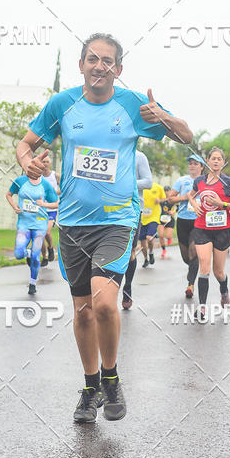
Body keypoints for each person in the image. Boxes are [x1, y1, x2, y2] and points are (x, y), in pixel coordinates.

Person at [15, 33, 192, 423]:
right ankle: (90, 386)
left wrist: (163, 117)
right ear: (81, 65)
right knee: (81, 314)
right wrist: (28, 162)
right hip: (73, 224)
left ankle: (111, 378)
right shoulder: (63, 104)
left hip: (117, 221)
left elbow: (187, 137)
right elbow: (25, 144)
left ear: (119, 69)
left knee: (105, 303)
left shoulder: (132, 105)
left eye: (108, 61)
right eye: (92, 59)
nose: (100, 66)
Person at [187, 147, 230, 318]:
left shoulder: (228, 182)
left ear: (223, 162)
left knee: (218, 271)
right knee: (204, 266)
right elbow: (191, 195)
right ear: (208, 161)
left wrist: (223, 204)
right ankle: (202, 307)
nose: (216, 161)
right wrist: (194, 204)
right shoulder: (199, 181)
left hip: (222, 230)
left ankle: (224, 291)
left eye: (219, 158)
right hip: (202, 228)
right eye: (213, 158)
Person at [6, 173, 59, 294]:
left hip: (40, 224)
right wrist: (15, 207)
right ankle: (28, 252)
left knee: (36, 257)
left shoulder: (45, 184)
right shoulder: (20, 181)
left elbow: (56, 203)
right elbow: (8, 194)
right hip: (24, 224)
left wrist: (44, 204)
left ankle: (32, 283)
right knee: (19, 254)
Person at [168, 154, 205, 298]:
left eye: (196, 163)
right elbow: (170, 199)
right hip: (183, 221)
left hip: (198, 221)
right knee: (186, 257)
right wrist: (187, 197)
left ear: (202, 167)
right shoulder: (181, 181)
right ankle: (193, 268)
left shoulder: (206, 182)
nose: (192, 166)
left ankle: (190, 284)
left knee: (193, 252)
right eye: (190, 163)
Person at [121, 148, 152, 310]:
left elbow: (148, 182)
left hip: (132, 210)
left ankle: (127, 287)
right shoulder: (109, 153)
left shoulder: (139, 156)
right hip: (108, 208)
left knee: (130, 251)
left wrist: (127, 182)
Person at [139, 181, 165, 267]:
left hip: (154, 217)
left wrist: (159, 200)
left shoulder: (157, 187)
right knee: (142, 240)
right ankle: (146, 259)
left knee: (149, 238)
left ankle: (151, 252)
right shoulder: (139, 186)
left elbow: (164, 198)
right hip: (141, 217)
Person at [40, 159, 60, 266]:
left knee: (46, 232)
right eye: (43, 162)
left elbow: (65, 187)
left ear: (50, 163)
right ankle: (44, 257)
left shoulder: (55, 175)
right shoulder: (39, 177)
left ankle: (51, 248)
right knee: (40, 234)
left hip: (51, 209)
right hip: (41, 209)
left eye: (47, 162)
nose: (44, 164)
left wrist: (55, 192)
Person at [157, 187, 177, 259]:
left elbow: (177, 207)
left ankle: (169, 238)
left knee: (168, 236)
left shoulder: (173, 199)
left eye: (168, 191)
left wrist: (173, 212)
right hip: (161, 220)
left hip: (170, 220)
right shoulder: (161, 200)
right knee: (161, 235)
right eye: (164, 191)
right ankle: (164, 250)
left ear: (170, 191)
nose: (166, 192)